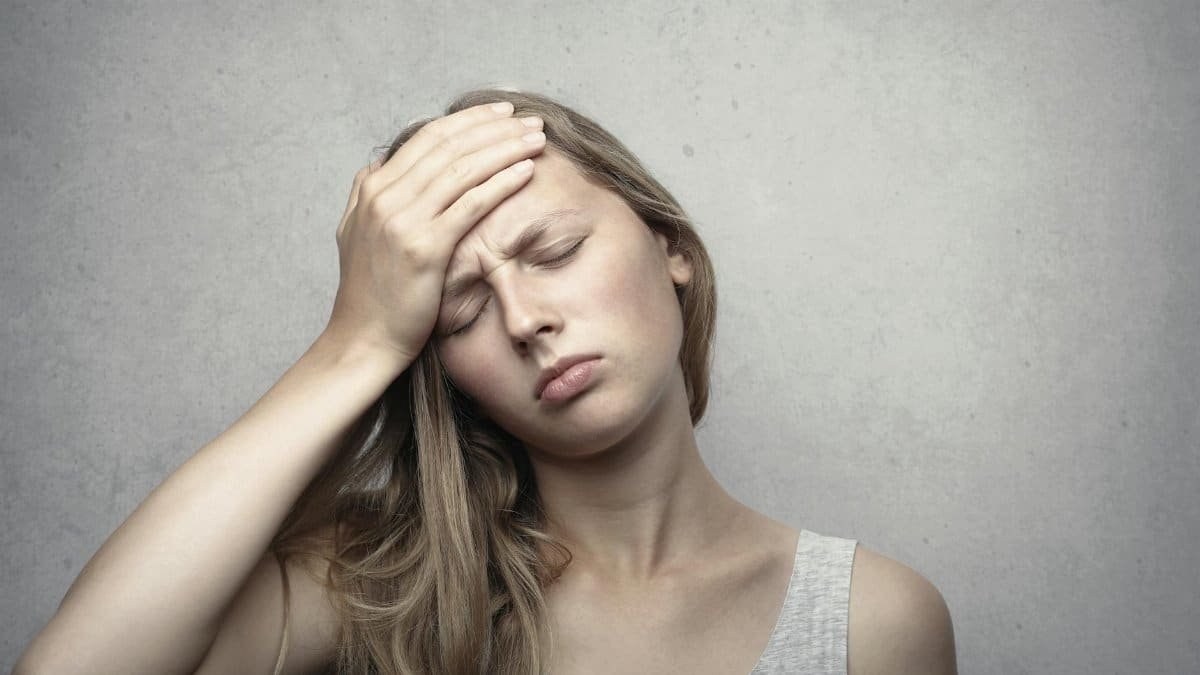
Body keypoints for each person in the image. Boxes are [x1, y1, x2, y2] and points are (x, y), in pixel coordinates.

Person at [15, 89, 957, 674]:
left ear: (669, 247)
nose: (524, 319)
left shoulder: (869, 620)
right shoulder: (382, 590)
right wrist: (354, 344)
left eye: (554, 250)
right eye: (460, 312)